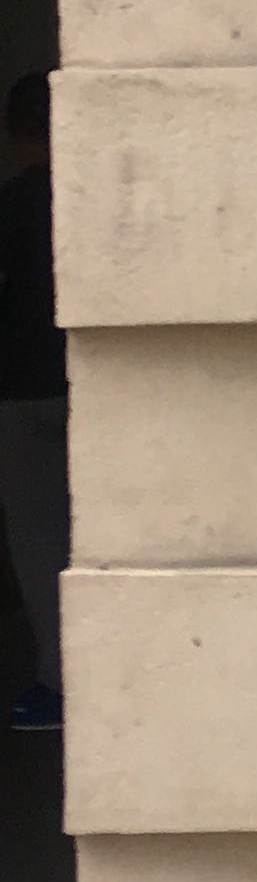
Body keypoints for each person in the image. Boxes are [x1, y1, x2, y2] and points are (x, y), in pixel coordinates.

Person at [0, 70, 65, 733]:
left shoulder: (13, 203)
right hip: (106, 386)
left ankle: (59, 682)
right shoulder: (103, 197)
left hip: (25, 391)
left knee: (41, 540)